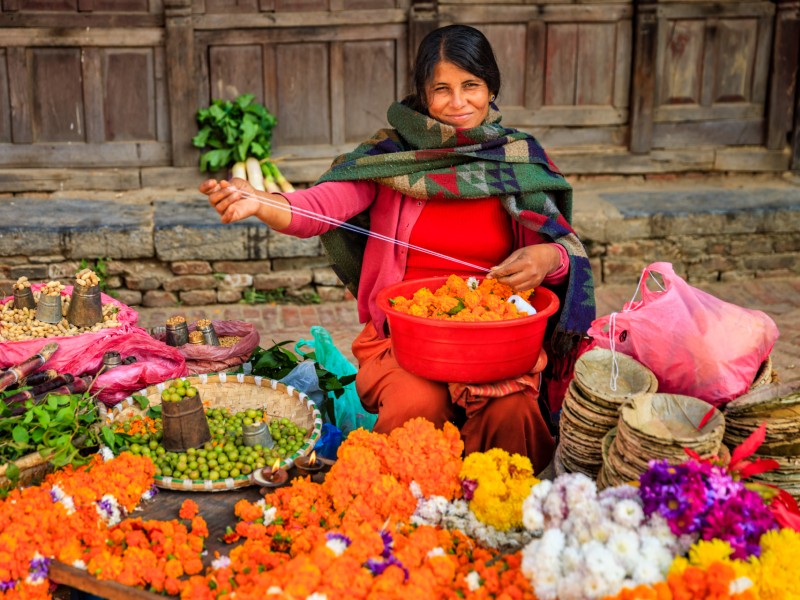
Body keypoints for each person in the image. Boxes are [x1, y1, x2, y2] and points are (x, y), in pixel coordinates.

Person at [200, 24, 596, 473]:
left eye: (471, 86)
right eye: (442, 89)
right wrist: (260, 203)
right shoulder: (390, 158)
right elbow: (320, 208)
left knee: (512, 413)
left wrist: (547, 259)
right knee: (416, 403)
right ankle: (406, 515)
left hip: (495, 338)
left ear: (491, 89)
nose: (458, 102)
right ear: (423, 94)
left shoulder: (516, 159)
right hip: (404, 340)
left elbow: (564, 247)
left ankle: (496, 518)